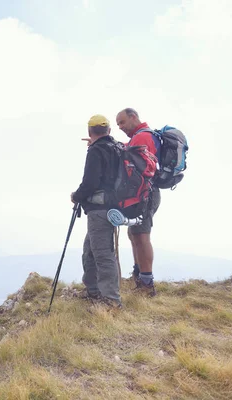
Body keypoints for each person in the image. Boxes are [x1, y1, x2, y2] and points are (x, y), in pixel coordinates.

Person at [71, 114, 122, 308]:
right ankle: (93, 291)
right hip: (113, 207)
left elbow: (90, 183)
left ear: (89, 132)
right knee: (90, 251)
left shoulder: (96, 151)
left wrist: (76, 196)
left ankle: (111, 301)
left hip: (99, 209)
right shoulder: (117, 148)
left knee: (102, 253)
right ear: (109, 131)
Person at [115, 108, 160, 296]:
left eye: (122, 122)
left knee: (141, 236)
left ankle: (146, 284)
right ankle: (139, 276)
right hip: (144, 194)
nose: (120, 127)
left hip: (145, 195)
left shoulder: (142, 138)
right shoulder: (141, 137)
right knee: (135, 234)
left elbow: (136, 164)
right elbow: (128, 150)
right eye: (118, 124)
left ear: (133, 117)